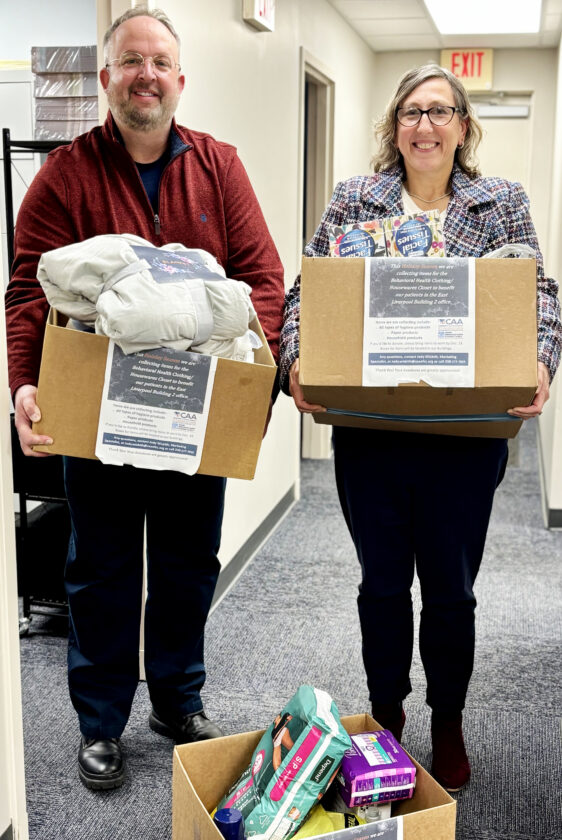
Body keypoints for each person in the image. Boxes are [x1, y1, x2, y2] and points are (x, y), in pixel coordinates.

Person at [5, 7, 284, 790]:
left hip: (195, 417)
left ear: (180, 80)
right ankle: (100, 723)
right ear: (106, 77)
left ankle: (176, 701)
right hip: (103, 416)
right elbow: (27, 290)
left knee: (189, 564)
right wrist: (24, 383)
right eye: (131, 61)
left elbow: (264, 282)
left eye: (160, 62)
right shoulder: (66, 174)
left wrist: (244, 386)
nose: (146, 76)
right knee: (102, 570)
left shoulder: (219, 167)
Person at [279, 64, 561, 792]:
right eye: (411, 112)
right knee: (380, 585)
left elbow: (540, 292)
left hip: (464, 437)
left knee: (451, 591)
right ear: (394, 127)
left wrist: (541, 359)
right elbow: (308, 289)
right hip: (370, 432)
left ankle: (448, 717)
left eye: (440, 111)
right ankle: (386, 714)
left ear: (463, 127)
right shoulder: (355, 198)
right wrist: (296, 357)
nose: (424, 125)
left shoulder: (500, 202)